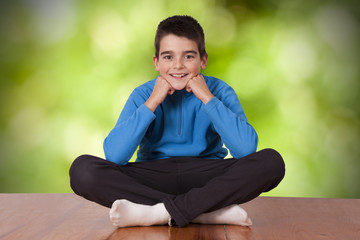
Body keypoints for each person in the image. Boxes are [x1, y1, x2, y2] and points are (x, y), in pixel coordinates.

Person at [69, 15, 285, 228]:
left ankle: (159, 212)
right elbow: (115, 155)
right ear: (156, 62)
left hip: (206, 175)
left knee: (271, 162)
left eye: (189, 56)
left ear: (203, 60)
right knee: (82, 170)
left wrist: (207, 98)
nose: (178, 66)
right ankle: (203, 211)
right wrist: (153, 101)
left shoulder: (219, 91)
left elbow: (246, 150)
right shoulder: (143, 94)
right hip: (153, 174)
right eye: (168, 57)